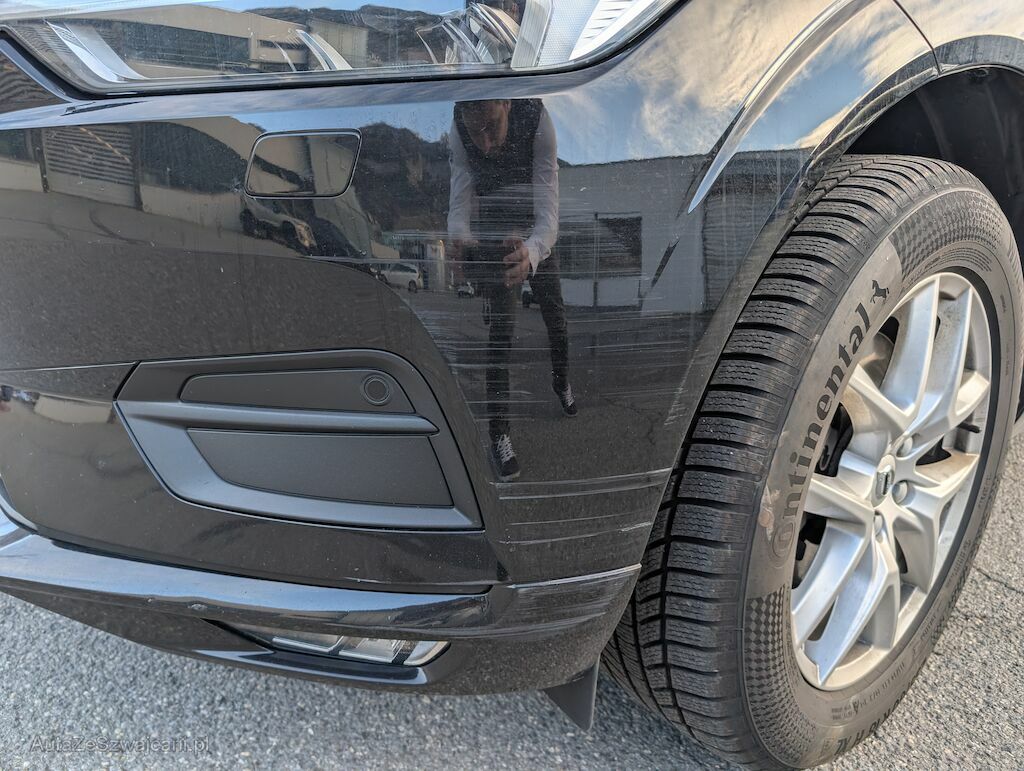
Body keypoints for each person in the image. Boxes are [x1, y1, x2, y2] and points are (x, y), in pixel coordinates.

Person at [448, 98, 575, 482]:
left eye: (491, 126)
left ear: (506, 103)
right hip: (497, 231)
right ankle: (499, 434)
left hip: (536, 232)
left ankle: (561, 381)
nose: (485, 144)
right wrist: (460, 238)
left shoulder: (538, 120)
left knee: (557, 321)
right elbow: (461, 189)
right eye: (475, 131)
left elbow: (549, 211)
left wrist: (532, 251)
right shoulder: (458, 126)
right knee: (501, 336)